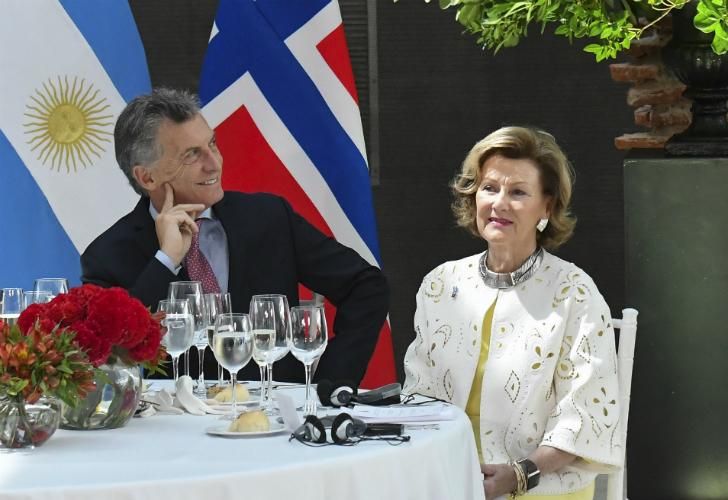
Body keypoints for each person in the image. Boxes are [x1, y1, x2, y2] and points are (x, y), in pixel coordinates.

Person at [81, 88, 389, 385]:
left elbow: (366, 287)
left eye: (212, 144)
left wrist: (328, 383)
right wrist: (166, 259)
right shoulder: (107, 256)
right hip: (171, 432)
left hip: (271, 426)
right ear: (147, 176)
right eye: (192, 155)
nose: (214, 163)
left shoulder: (269, 218)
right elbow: (109, 352)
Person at [403, 126, 622, 499]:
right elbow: (419, 397)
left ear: (547, 207)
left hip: (541, 487)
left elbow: (584, 418)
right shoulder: (441, 284)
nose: (499, 203)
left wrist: (519, 475)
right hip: (447, 480)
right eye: (489, 188)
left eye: (518, 192)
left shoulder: (574, 292)